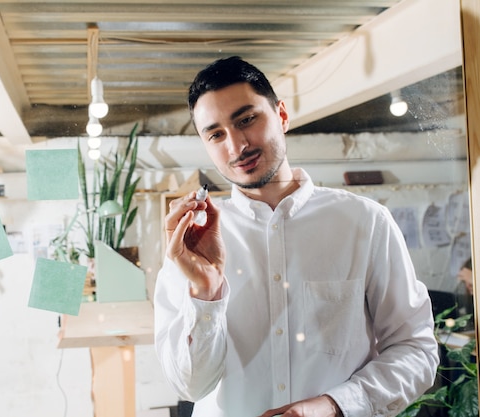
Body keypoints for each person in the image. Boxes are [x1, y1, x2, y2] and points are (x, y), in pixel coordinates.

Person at [153, 56, 439, 417]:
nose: (237, 146)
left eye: (246, 120)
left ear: (282, 116)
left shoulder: (366, 222)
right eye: (216, 134)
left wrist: (335, 406)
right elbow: (189, 385)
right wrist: (206, 295)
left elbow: (416, 350)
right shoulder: (191, 245)